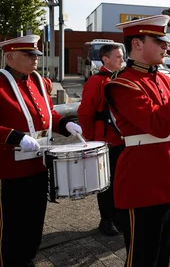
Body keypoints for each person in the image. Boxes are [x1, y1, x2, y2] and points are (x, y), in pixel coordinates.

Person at [104, 15, 170, 267]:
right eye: (159, 41)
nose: (166, 46)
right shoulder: (122, 83)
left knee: (161, 255)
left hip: (167, 179)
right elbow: (158, 125)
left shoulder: (164, 78)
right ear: (138, 44)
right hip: (142, 181)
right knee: (143, 258)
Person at [0, 35, 84, 267]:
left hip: (38, 164)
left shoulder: (37, 81)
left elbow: (47, 114)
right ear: (10, 56)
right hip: (10, 170)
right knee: (12, 222)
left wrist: (64, 124)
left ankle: (27, 256)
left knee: (34, 217)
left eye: (36, 55)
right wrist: (14, 136)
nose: (35, 59)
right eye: (28, 55)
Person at [78, 43, 126, 236]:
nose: (122, 60)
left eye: (122, 56)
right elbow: (85, 113)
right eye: (118, 57)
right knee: (106, 182)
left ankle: (118, 216)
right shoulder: (96, 81)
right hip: (104, 140)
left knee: (120, 181)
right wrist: (90, 139)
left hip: (121, 139)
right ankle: (106, 220)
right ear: (105, 59)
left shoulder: (122, 79)